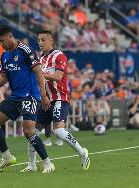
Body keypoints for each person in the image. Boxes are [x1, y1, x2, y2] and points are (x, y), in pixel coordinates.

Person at [0, 25, 55, 173]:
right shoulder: (5, 55)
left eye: (2, 41)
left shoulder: (26, 51)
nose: (1, 44)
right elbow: (4, 78)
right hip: (15, 97)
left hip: (30, 96)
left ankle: (47, 163)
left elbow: (39, 73)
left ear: (10, 36)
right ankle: (7, 157)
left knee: (28, 130)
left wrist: (43, 96)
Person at [21, 30, 90, 172]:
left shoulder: (59, 56)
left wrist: (41, 74)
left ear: (51, 40)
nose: (40, 43)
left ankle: (82, 152)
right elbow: (39, 79)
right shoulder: (40, 59)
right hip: (45, 100)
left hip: (60, 98)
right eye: (39, 40)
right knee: (31, 131)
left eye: (43, 40)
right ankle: (32, 165)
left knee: (58, 131)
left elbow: (58, 77)